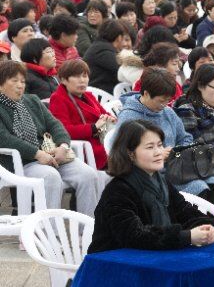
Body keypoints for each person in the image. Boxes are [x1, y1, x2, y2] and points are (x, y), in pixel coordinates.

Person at [88, 119, 214, 253]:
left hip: (150, 258)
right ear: (130, 153)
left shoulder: (161, 182)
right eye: (150, 147)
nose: (158, 152)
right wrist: (187, 236)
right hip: (113, 264)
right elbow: (134, 236)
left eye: (160, 145)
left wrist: (210, 228)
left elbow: (187, 213)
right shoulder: (118, 191)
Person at [0, 60, 99, 217]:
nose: (20, 85)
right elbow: (4, 139)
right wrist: (37, 154)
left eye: (23, 81)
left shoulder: (31, 100)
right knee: (50, 176)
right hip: (21, 162)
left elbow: (56, 125)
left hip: (51, 156)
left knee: (88, 174)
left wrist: (63, 146)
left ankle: (88, 232)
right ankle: (49, 233)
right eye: (14, 81)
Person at [118, 67, 214, 200]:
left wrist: (177, 150)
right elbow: (124, 154)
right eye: (161, 101)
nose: (165, 105)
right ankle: (205, 218)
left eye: (167, 100)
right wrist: (157, 154)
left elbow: (185, 137)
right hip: (151, 174)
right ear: (145, 93)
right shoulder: (129, 118)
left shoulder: (167, 112)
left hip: (177, 166)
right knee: (199, 187)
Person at [50, 60, 116, 169]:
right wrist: (93, 127)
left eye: (85, 76)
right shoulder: (58, 98)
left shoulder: (88, 96)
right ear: (63, 80)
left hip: (100, 140)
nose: (82, 80)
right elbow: (63, 130)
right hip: (82, 145)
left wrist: (109, 119)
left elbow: (106, 114)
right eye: (76, 77)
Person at [85, 19, 131, 95]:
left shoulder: (99, 46)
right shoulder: (103, 51)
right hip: (101, 96)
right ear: (119, 38)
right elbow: (124, 71)